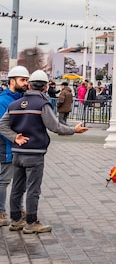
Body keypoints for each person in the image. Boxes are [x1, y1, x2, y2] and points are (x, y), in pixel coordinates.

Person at [0, 70, 89, 234]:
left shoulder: (14, 105)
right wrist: (73, 130)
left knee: (17, 188)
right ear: (46, 87)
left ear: (29, 84)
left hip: (18, 153)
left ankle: (16, 220)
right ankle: (31, 222)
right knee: (33, 189)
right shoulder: (42, 104)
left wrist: (15, 138)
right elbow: (54, 126)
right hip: (34, 153)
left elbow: (2, 125)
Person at [0, 65, 30, 228]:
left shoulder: (23, 99)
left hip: (21, 147)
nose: (26, 83)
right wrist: (14, 137)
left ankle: (18, 210)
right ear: (12, 81)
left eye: (27, 80)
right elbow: (2, 126)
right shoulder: (3, 100)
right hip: (7, 146)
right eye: (22, 80)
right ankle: (0, 212)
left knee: (20, 181)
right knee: (4, 180)